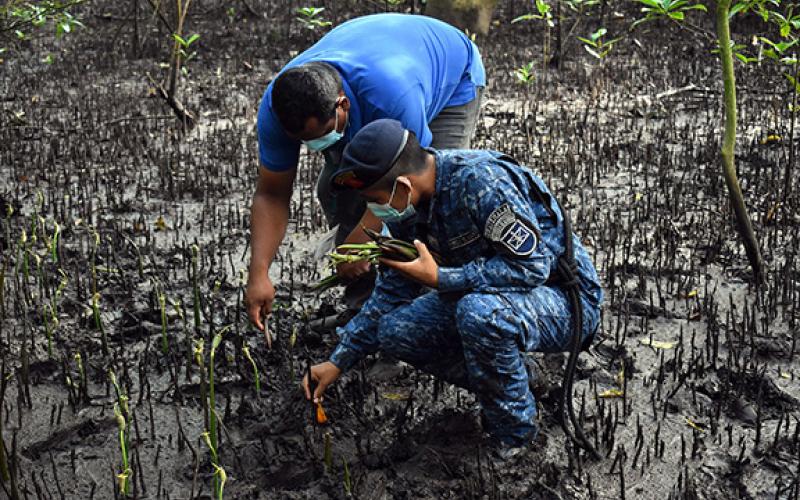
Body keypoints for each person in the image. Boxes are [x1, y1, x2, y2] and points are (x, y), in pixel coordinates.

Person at [302, 119, 604, 457]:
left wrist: (442, 279)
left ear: (402, 186)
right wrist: (338, 361)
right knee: (396, 330)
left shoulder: (480, 184)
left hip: (565, 302)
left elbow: (532, 267)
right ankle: (523, 380)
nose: (373, 211)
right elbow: (389, 295)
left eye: (373, 200)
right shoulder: (406, 213)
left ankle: (515, 435)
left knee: (479, 314)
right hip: (498, 298)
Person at [246, 13, 486, 337]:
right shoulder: (276, 109)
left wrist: (360, 242)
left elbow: (409, 185)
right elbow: (272, 194)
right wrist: (258, 273)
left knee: (428, 206)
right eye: (304, 141)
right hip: (376, 60)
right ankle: (364, 311)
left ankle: (421, 320)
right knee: (336, 190)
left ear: (342, 105)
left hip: (451, 76)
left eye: (321, 136)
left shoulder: (391, 96)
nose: (314, 147)